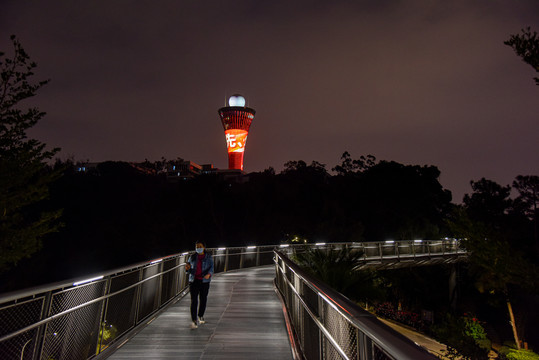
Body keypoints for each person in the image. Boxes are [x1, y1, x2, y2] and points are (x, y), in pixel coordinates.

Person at [185, 241, 214, 329]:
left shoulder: (208, 257)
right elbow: (188, 270)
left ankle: (200, 315)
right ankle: (194, 319)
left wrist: (209, 274)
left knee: (203, 299)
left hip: (204, 281)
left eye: (200, 246)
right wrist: (187, 269)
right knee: (194, 300)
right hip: (193, 281)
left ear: (204, 247)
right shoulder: (192, 257)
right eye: (197, 246)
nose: (198, 248)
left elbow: (212, 268)